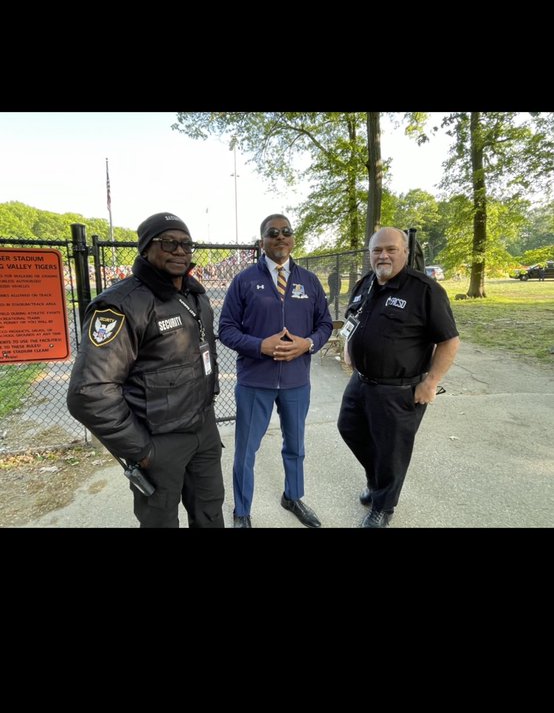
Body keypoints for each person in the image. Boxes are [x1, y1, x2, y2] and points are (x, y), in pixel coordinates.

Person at [67, 212, 224, 529]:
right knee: (160, 521)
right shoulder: (120, 305)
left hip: (204, 431)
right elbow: (89, 393)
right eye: (168, 242)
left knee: (210, 512)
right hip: (158, 440)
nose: (180, 250)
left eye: (186, 243)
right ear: (145, 249)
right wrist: (142, 450)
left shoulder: (196, 296)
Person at [337, 227, 460, 528]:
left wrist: (430, 382)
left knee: (392, 452)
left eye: (391, 249)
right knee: (349, 428)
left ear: (405, 252)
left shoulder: (424, 290)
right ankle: (377, 481)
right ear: (370, 254)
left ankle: (383, 507)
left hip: (399, 390)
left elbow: (449, 341)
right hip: (362, 381)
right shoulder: (366, 283)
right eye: (377, 250)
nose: (383, 255)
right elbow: (354, 320)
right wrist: (348, 348)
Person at [218, 213, 333, 528]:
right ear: (262, 242)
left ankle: (293, 496)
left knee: (295, 445)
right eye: (273, 232)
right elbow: (225, 329)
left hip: (297, 382)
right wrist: (260, 346)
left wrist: (307, 344)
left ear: (293, 238)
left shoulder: (309, 281)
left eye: (286, 232)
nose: (280, 237)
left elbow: (325, 324)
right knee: (246, 451)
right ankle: (242, 512)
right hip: (256, 382)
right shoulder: (243, 281)